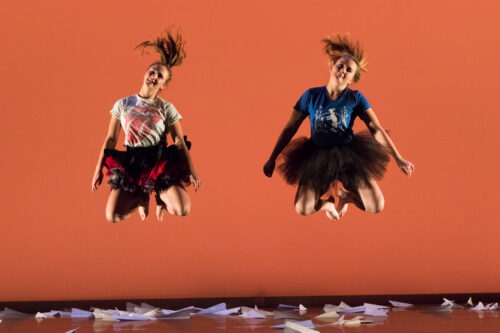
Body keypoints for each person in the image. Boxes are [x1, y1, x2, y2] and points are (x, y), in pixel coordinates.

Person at [263, 34, 413, 220]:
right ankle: (327, 204)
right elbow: (290, 128)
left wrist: (399, 158)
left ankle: (346, 197)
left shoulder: (356, 98)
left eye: (348, 70)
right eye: (340, 65)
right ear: (331, 67)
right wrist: (272, 157)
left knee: (376, 205)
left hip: (348, 157)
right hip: (317, 156)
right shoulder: (311, 95)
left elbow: (376, 129)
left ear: (352, 79)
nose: (343, 70)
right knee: (302, 208)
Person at [91, 29, 201, 222]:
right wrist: (97, 170)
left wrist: (193, 172)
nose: (154, 76)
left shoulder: (166, 107)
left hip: (158, 161)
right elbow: (110, 139)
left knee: (182, 209)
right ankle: (143, 196)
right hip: (133, 162)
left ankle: (158, 196)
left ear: (163, 85)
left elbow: (179, 142)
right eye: (152, 72)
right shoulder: (123, 104)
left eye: (160, 76)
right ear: (145, 74)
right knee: (112, 215)